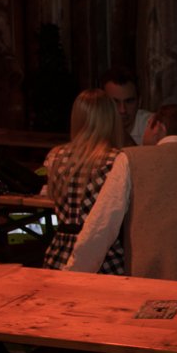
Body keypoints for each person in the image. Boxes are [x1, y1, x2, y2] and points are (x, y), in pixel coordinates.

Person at [63, 104, 177, 286]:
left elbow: (102, 225)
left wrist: (73, 275)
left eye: (148, 125)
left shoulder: (130, 159)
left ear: (159, 127)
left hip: (157, 280)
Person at [42, 89, 126, 274]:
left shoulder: (56, 156)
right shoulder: (117, 160)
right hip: (104, 258)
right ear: (111, 119)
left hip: (59, 253)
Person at [103, 66, 152, 146]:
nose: (122, 110)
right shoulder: (94, 127)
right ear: (103, 103)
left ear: (139, 102)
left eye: (129, 101)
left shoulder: (153, 127)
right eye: (115, 102)